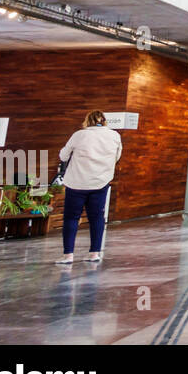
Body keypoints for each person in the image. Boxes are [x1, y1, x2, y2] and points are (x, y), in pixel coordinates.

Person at [57, 110, 122, 264]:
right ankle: (94, 253)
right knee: (97, 217)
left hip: (77, 183)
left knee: (71, 218)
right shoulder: (114, 136)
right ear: (104, 121)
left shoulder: (80, 135)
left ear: (88, 121)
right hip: (100, 182)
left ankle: (68, 255)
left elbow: (63, 156)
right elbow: (117, 157)